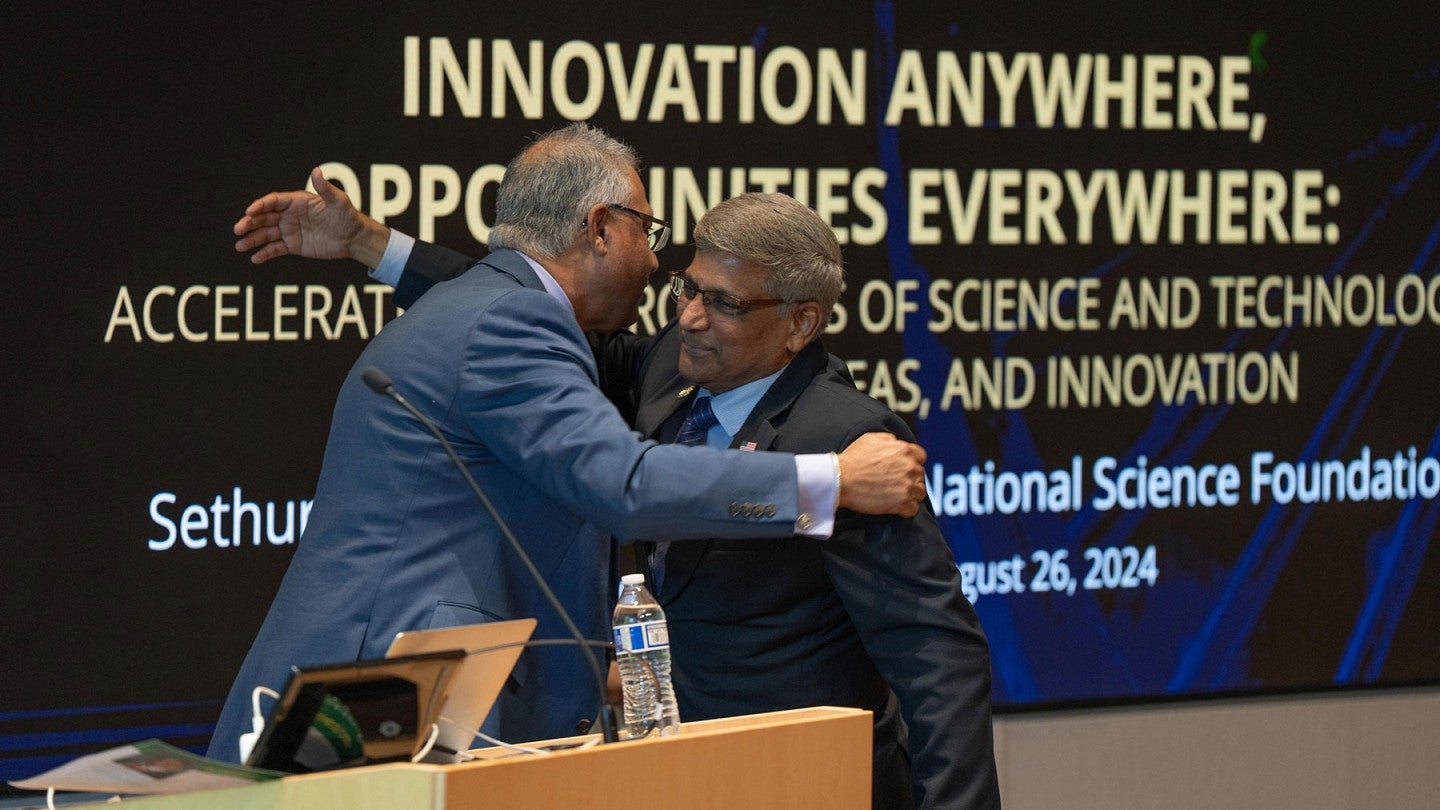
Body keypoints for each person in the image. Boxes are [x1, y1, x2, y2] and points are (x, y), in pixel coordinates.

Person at [236, 176, 1001, 807]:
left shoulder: (849, 441)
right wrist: (374, 246)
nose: (692, 319)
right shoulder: (673, 365)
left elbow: (939, 659)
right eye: (687, 289)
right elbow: (508, 310)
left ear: (801, 323)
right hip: (673, 779)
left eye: (725, 304)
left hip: (800, 783)